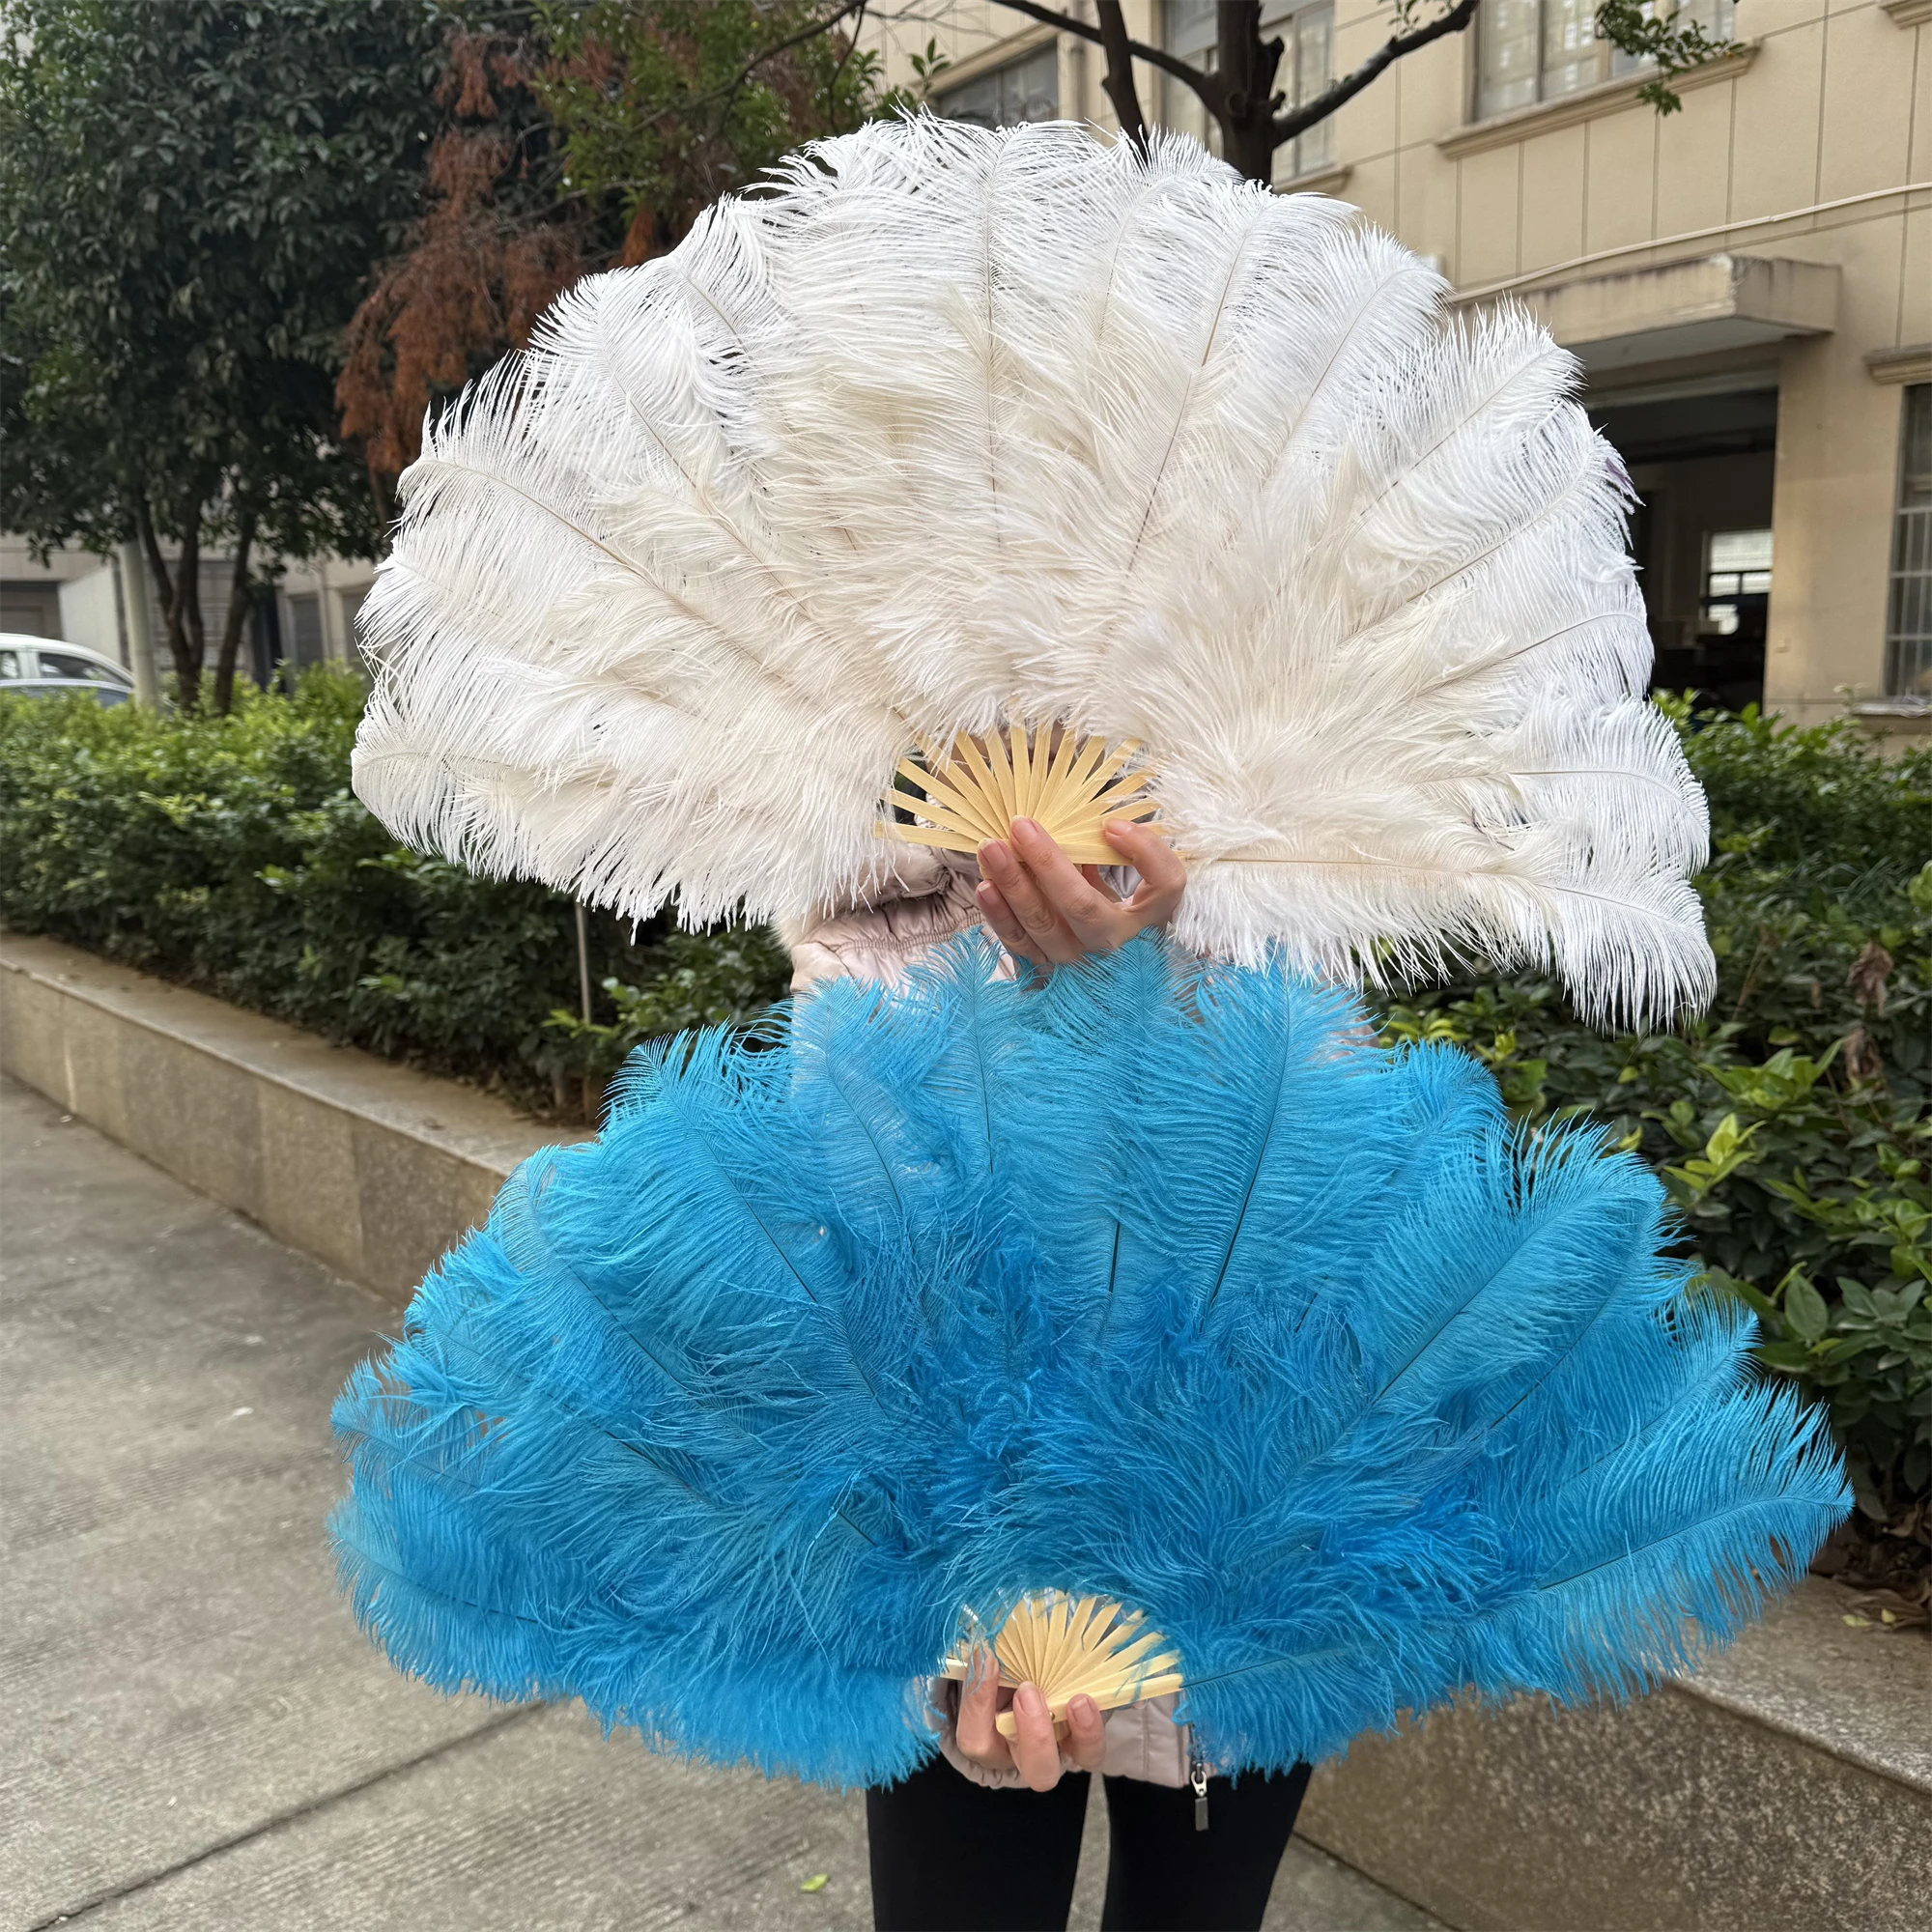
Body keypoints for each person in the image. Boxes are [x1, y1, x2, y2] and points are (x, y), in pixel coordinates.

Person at [782, 813, 1313, 1932]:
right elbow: (878, 1319)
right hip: (968, 1613)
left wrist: (1158, 1003)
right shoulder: (870, 932)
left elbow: (1319, 1269)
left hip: (1244, 1594)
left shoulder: (1291, 892)